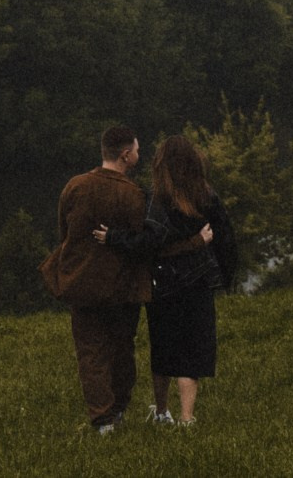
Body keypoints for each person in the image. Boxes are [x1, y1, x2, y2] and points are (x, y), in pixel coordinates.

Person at [94, 132, 237, 427]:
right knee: (194, 349)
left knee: (164, 347)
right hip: (198, 283)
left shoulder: (156, 199)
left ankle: (162, 412)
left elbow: (147, 242)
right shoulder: (207, 196)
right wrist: (227, 276)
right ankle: (187, 418)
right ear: (194, 162)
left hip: (164, 284)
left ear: (161, 164)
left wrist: (112, 238)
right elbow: (226, 238)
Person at [46, 125, 157, 433]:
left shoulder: (76, 186)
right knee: (122, 348)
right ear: (125, 155)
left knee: (91, 351)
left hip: (83, 282)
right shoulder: (134, 195)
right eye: (136, 149)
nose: (139, 154)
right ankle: (119, 408)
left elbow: (63, 232)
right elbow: (140, 244)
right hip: (122, 286)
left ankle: (101, 418)